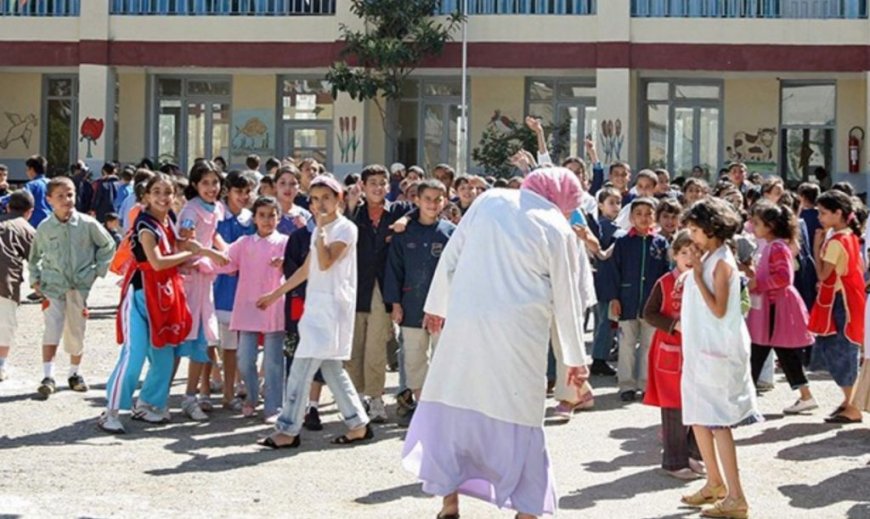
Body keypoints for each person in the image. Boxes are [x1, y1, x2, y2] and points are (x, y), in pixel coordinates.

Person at [401, 167, 589, 518]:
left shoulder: (489, 199)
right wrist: (575, 360)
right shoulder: (557, 226)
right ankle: (527, 509)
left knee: (457, 404)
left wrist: (437, 307)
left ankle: (449, 502)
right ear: (563, 200)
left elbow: (451, 255)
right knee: (519, 413)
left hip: (466, 322)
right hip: (519, 335)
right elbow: (567, 300)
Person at [255, 176, 372, 449]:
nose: (320, 204)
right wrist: (275, 294)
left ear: (338, 199)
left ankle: (288, 430)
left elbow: (327, 260)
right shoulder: (317, 230)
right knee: (331, 368)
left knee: (301, 368)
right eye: (315, 199)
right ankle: (358, 424)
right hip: (316, 307)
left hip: (333, 309)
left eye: (326, 198)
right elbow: (307, 268)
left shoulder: (346, 229)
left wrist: (319, 232)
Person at [679, 197, 760, 519]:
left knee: (719, 421)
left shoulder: (722, 261)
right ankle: (714, 482)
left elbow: (719, 308)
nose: (692, 237)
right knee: (698, 415)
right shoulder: (711, 254)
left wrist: (697, 276)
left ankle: (736, 496)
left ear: (712, 229)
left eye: (696, 230)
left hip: (719, 352)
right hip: (701, 349)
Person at [100, 173, 199, 433]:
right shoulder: (145, 223)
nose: (163, 197)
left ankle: (146, 404)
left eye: (168, 192)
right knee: (134, 355)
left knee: (164, 355)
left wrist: (205, 250)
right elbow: (156, 261)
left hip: (162, 295)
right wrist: (188, 254)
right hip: (140, 295)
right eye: (157, 192)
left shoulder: (168, 219)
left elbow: (177, 243)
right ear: (146, 196)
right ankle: (110, 410)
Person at [29, 176, 116, 399]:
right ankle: (48, 375)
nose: (66, 199)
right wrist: (35, 279)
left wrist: (96, 270)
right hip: (53, 286)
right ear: (49, 200)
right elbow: (35, 256)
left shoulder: (87, 224)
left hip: (79, 287)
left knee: (76, 331)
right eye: (60, 196)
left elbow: (108, 245)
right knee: (52, 328)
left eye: (70, 194)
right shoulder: (45, 227)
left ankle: (74, 373)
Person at [345, 164, 414, 422]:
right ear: (362, 186)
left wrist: (404, 220)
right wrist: (350, 206)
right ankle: (354, 397)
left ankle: (375, 398)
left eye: (382, 183)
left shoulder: (397, 209)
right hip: (353, 286)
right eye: (372, 183)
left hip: (384, 287)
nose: (377, 188)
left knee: (376, 344)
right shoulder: (355, 212)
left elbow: (418, 212)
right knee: (353, 346)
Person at [216, 196, 288, 420]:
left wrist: (286, 262)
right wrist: (202, 255)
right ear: (254, 218)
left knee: (274, 361)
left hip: (275, 307)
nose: (267, 220)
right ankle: (252, 395)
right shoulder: (244, 243)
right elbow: (226, 263)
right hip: (248, 306)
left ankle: (274, 406)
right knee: (245, 358)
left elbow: (299, 267)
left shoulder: (285, 242)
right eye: (262, 215)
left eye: (272, 215)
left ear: (278, 217)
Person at [384, 179, 455, 404]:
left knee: (443, 356)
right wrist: (395, 303)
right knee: (414, 357)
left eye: (437, 199)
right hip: (411, 305)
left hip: (443, 309)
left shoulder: (451, 233)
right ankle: (420, 402)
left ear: (445, 201)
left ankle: (440, 404)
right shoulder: (403, 232)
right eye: (427, 199)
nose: (432, 204)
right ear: (417, 200)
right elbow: (394, 269)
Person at [642, 230, 704, 480]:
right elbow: (649, 313)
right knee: (674, 407)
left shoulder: (704, 280)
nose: (689, 258)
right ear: (675, 255)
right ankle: (673, 462)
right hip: (669, 353)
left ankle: (693, 454)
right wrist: (673, 325)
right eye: (684, 252)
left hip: (696, 351)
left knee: (698, 404)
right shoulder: (665, 282)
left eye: (695, 252)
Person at [746, 201, 817, 414]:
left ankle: (744, 402)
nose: (753, 226)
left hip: (775, 308)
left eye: (757, 222)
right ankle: (806, 395)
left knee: (757, 353)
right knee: (783, 353)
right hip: (771, 308)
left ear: (769, 225)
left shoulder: (777, 247)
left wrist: (758, 284)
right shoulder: (773, 246)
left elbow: (784, 278)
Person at [601, 197, 670, 402]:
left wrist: (663, 301)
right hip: (626, 301)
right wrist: (614, 297)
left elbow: (665, 273)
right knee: (627, 344)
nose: (643, 218)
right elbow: (612, 271)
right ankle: (626, 385)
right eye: (638, 214)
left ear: (654, 217)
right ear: (631, 217)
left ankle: (646, 383)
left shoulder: (660, 242)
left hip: (652, 305)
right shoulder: (622, 242)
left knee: (649, 345)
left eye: (648, 214)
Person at [175, 160, 229, 420]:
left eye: (215, 182)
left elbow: (214, 234)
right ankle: (160, 394)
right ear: (195, 185)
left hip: (204, 280)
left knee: (204, 337)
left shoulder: (217, 207)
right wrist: (211, 253)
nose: (211, 187)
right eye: (205, 183)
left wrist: (228, 250)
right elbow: (185, 241)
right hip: (188, 278)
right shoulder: (191, 209)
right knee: (180, 337)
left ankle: (189, 395)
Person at [809, 190, 866, 424]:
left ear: (838, 213)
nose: (820, 217)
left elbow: (823, 274)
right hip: (849, 298)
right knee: (845, 348)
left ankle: (852, 405)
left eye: (823, 213)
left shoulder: (835, 241)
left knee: (840, 350)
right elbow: (860, 266)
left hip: (838, 301)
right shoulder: (850, 236)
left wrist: (816, 247)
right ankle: (848, 400)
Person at [213, 170, 256, 411]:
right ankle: (217, 389)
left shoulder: (251, 219)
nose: (243, 196)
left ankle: (236, 390)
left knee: (239, 346)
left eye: (247, 191)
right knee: (213, 343)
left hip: (243, 290)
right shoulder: (215, 215)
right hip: (219, 290)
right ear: (227, 191)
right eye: (239, 191)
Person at [0, 191, 36, 381]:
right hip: (6, 282)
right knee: (4, 326)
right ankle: (0, 365)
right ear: (30, 212)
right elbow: (37, 261)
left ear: (7, 207)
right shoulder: (27, 229)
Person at [588, 187, 621, 377]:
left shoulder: (609, 225)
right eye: (611, 203)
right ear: (600, 205)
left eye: (618, 202)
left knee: (603, 320)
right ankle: (599, 359)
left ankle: (599, 356)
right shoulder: (608, 227)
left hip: (601, 280)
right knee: (605, 322)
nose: (616, 206)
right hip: (606, 281)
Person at [24, 155, 51, 229]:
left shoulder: (31, 185)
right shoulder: (51, 183)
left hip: (36, 224)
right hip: (52, 222)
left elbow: (20, 198)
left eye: (27, 170)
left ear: (32, 169)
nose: (26, 172)